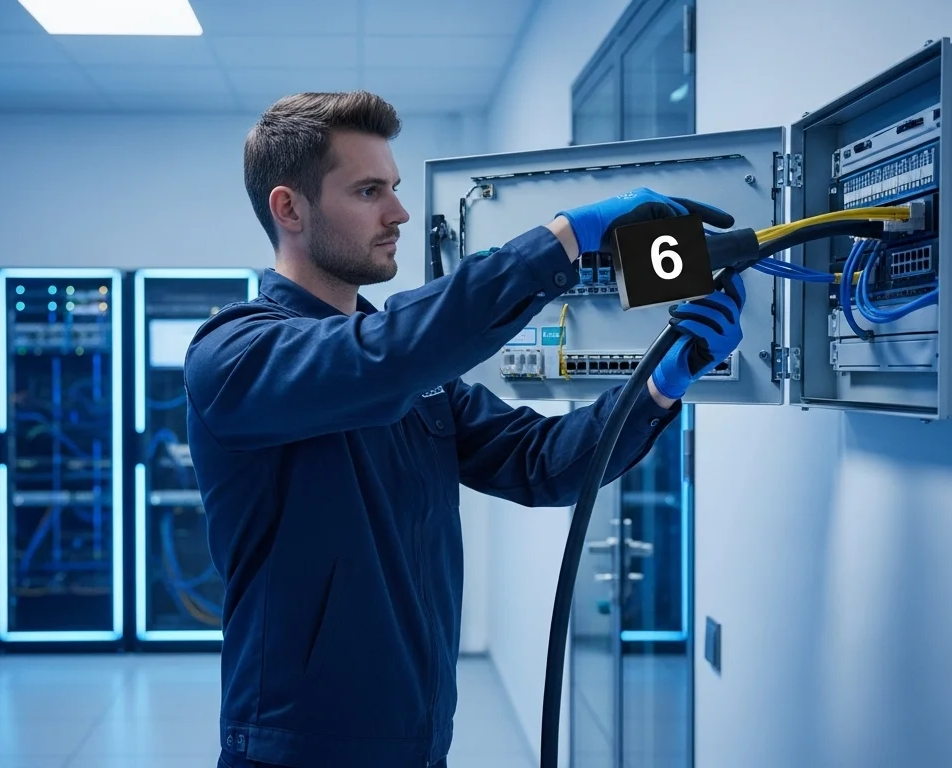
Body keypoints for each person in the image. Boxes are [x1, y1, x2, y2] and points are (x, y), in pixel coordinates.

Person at [184, 91, 746, 768]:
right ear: (289, 208)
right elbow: (386, 354)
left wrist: (660, 385)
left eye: (393, 187)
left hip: (419, 741)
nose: (398, 212)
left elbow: (544, 463)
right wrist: (563, 241)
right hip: (294, 750)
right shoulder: (236, 355)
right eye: (368, 191)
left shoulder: (413, 372)